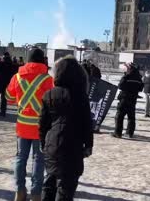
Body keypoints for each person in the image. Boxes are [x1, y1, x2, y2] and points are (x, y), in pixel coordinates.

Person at [40, 56, 93, 200]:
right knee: (66, 187)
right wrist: (88, 145)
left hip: (52, 143)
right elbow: (87, 124)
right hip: (73, 145)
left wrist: (43, 143)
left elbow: (43, 123)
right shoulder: (81, 96)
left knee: (49, 182)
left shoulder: (49, 94)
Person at [7, 48, 54, 201]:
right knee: (38, 160)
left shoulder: (17, 77)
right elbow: (51, 103)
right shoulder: (47, 79)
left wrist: (22, 100)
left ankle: (19, 191)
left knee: (21, 158)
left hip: (22, 125)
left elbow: (9, 97)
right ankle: (36, 194)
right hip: (41, 127)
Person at [112, 62, 144, 138]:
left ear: (130, 69)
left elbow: (120, 86)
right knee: (131, 117)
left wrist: (125, 77)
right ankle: (129, 133)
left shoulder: (127, 76)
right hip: (133, 98)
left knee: (119, 116)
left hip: (125, 97)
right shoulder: (139, 77)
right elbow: (140, 88)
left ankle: (118, 133)